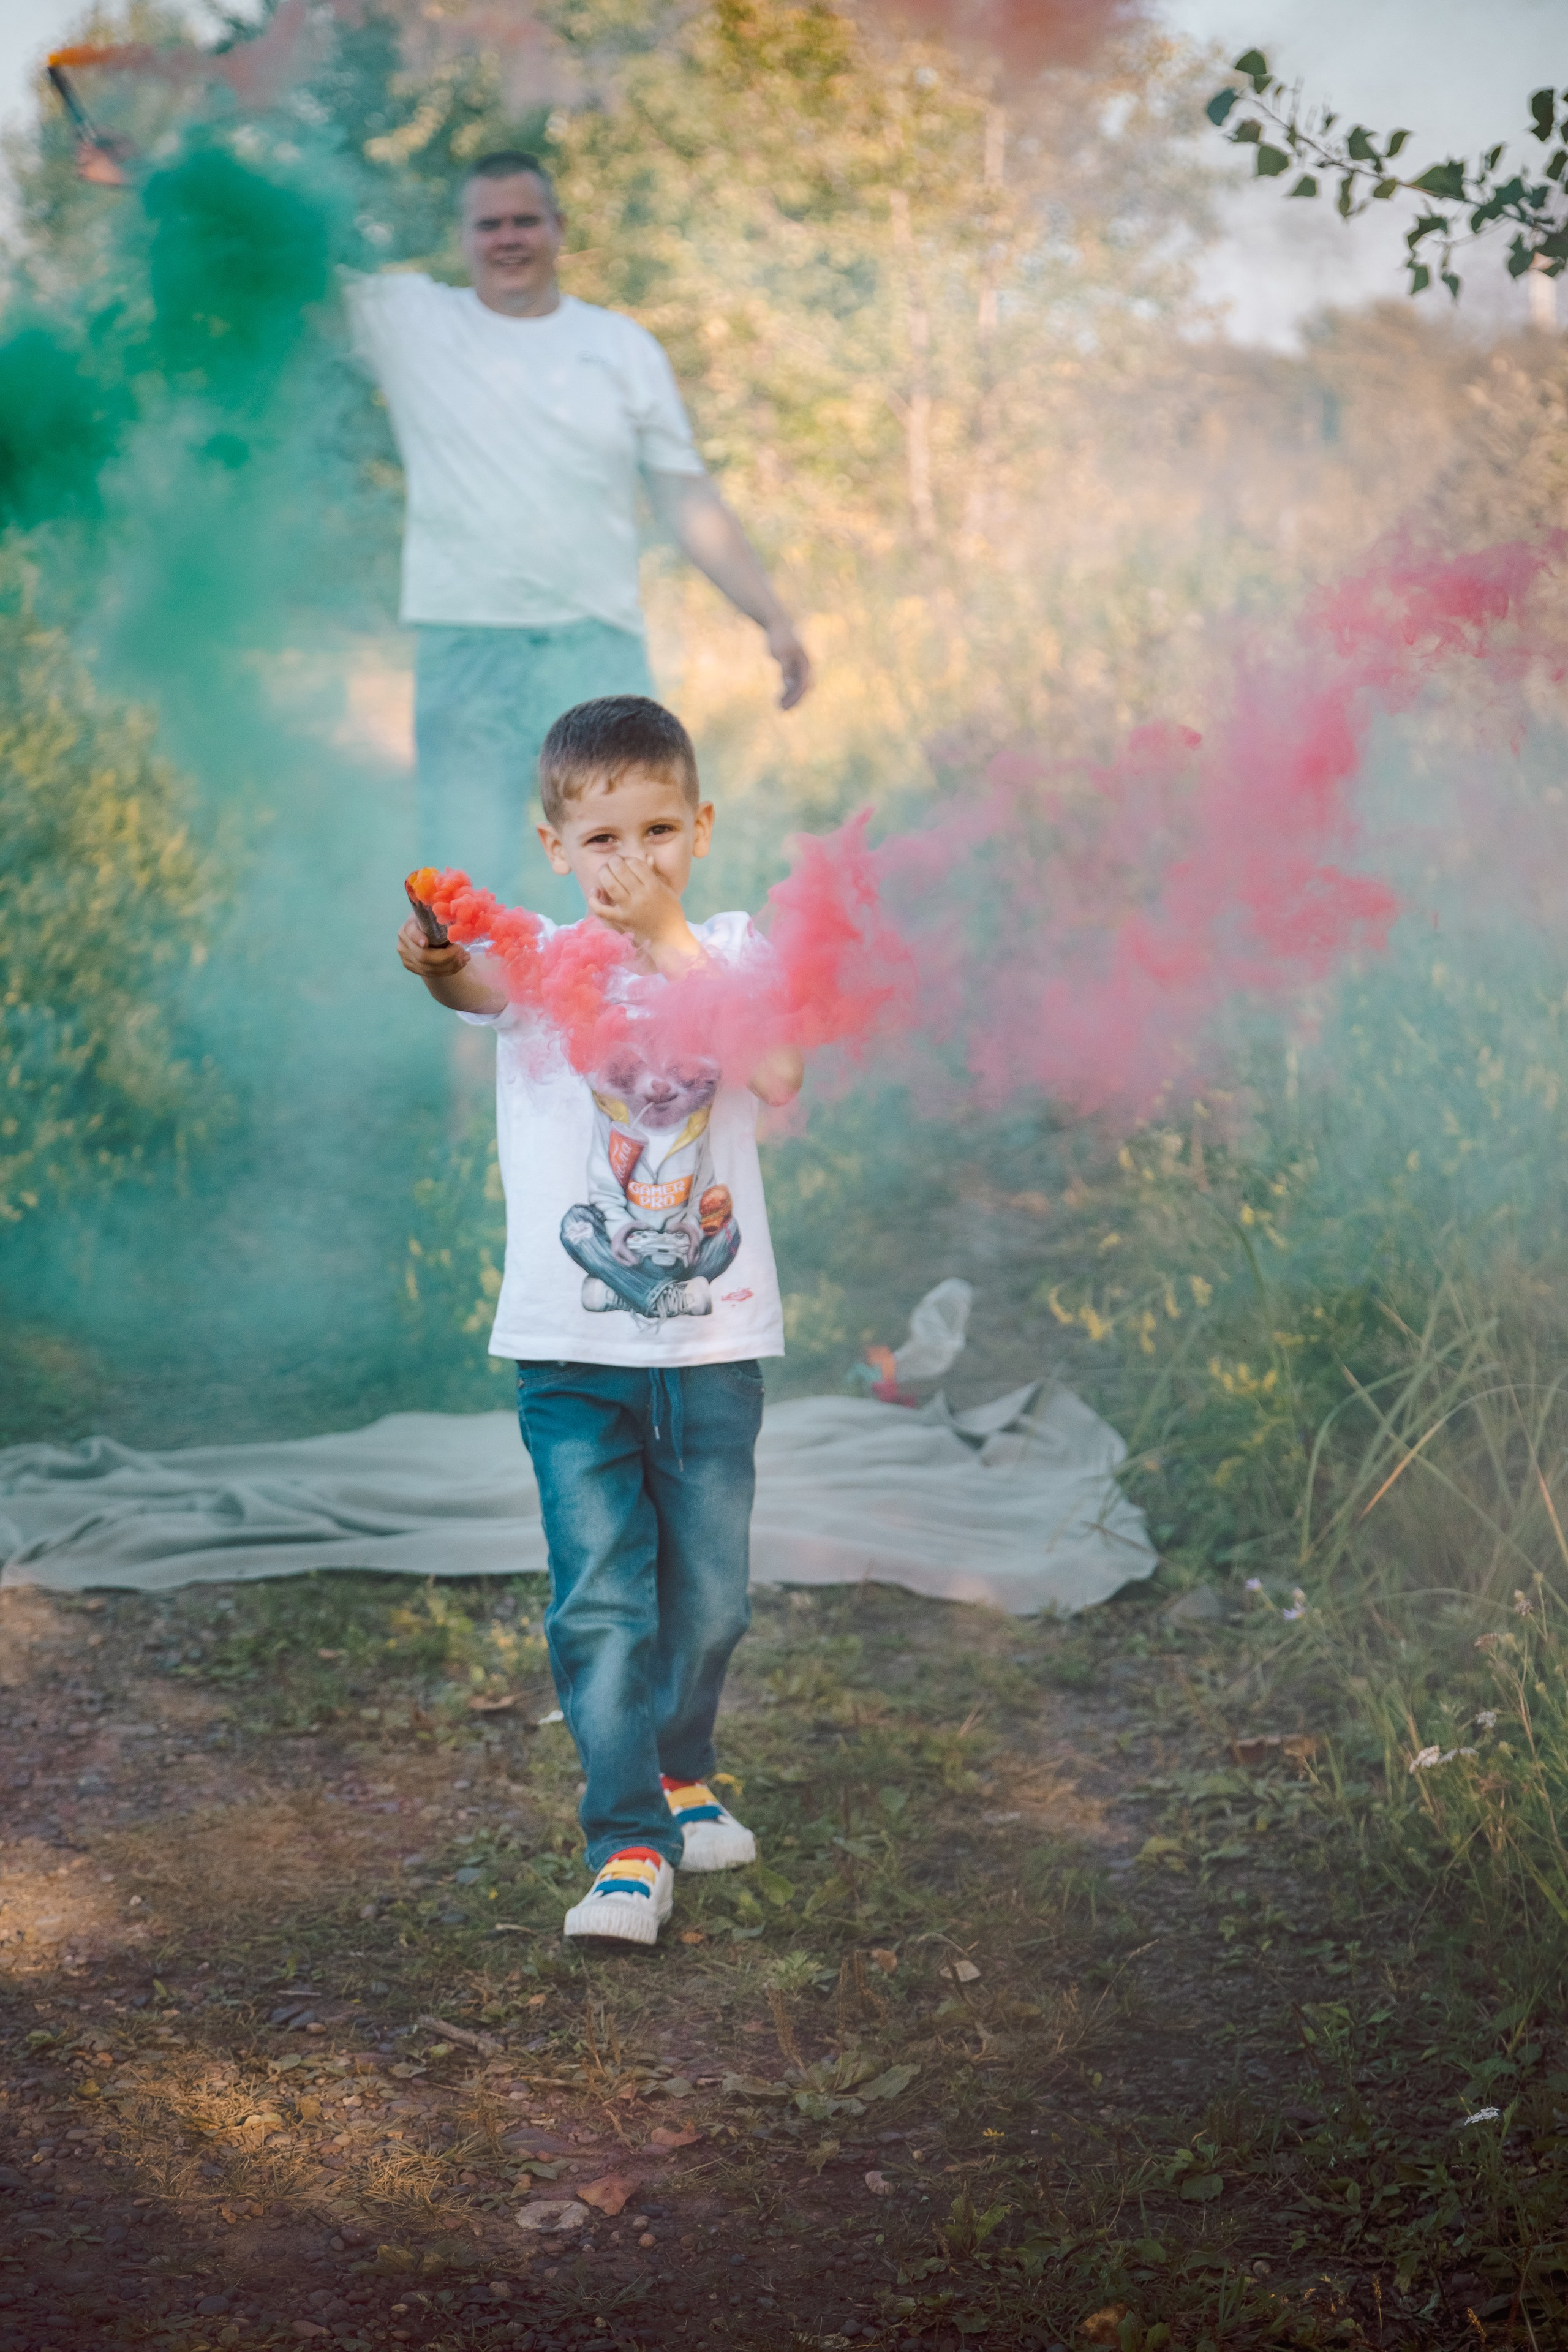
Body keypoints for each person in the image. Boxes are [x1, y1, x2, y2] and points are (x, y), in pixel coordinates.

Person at [396, 695, 803, 1945]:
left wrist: (672, 936)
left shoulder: (729, 951)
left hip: (713, 1344)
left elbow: (778, 1071)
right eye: (604, 840)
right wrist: (436, 954)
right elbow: (469, 982)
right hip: (572, 1354)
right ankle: (626, 1844)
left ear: (702, 828)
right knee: (599, 1601)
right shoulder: (543, 967)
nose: (632, 863)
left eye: (658, 830)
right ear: (556, 851)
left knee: (712, 1598)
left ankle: (682, 1769)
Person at [349, 151, 813, 897]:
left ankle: (627, 1019)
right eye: (488, 223)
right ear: (463, 235)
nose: (508, 238)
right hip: (465, 649)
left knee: (629, 886)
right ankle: (472, 1022)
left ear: (558, 229)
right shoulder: (411, 321)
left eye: (525, 220)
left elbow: (687, 499)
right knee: (466, 897)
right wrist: (151, 179)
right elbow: (267, 256)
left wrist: (773, 619)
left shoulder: (621, 347)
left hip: (596, 655)